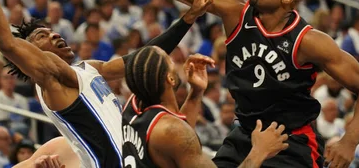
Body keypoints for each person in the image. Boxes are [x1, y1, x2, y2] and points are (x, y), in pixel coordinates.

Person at [0, 0, 214, 168]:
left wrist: (189, 18)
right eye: (41, 37)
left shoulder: (87, 69)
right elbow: (5, 41)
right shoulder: (51, 78)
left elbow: (143, 59)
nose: (54, 35)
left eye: (51, 32)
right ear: (31, 56)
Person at [128, 0, 359, 168]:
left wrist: (349, 142)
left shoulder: (308, 41)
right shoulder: (236, 10)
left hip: (289, 140)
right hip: (246, 131)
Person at [122, 46, 289, 167]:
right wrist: (259, 151)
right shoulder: (172, 131)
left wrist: (196, 92)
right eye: (170, 61)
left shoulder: (133, 106)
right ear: (171, 79)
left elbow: (176, 139)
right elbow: (178, 135)